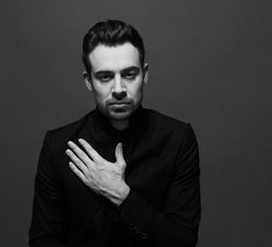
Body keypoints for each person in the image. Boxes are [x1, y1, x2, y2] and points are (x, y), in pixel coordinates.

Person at [29, 20, 201, 247]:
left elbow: (183, 242)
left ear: (145, 75)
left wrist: (121, 195)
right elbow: (43, 240)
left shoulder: (178, 139)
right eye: (105, 77)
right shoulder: (59, 146)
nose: (119, 89)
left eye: (129, 74)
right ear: (88, 81)